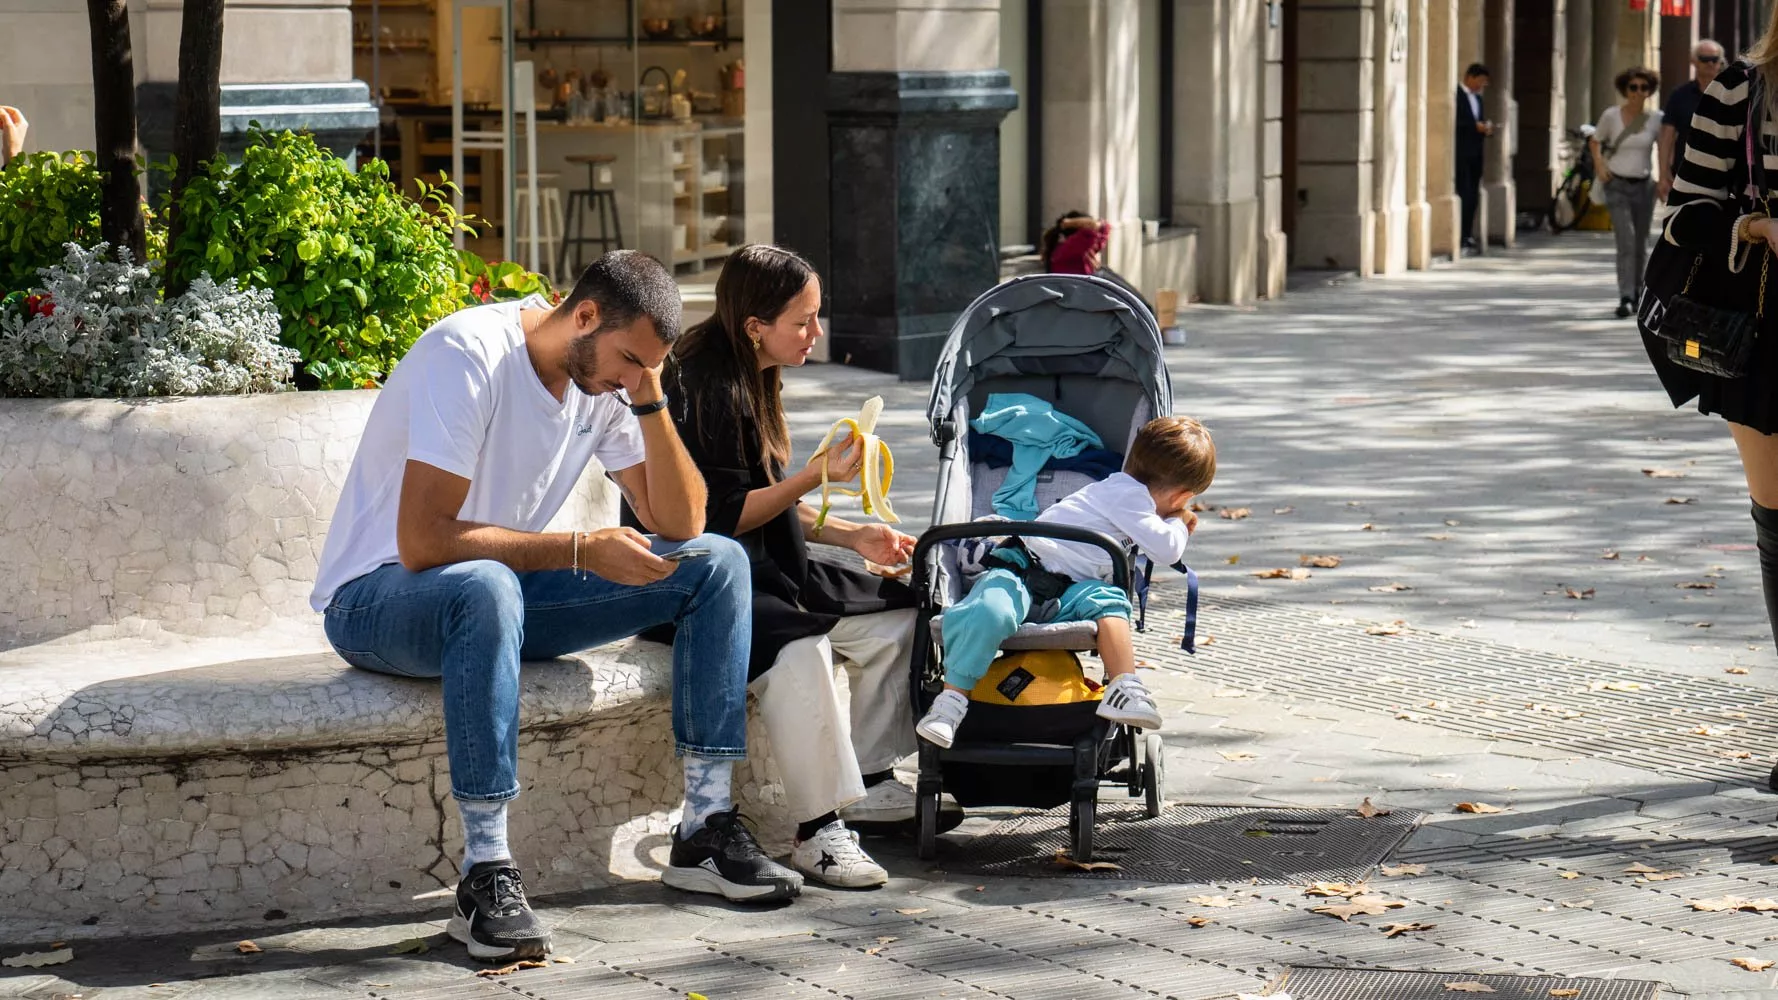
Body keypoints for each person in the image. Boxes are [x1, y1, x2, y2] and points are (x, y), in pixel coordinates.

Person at [309, 251, 803, 965]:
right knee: (484, 585)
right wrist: (578, 548)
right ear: (586, 314)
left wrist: (652, 397)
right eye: (629, 360)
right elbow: (422, 543)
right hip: (378, 601)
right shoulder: (468, 354)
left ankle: (703, 826)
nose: (629, 378)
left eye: (647, 368)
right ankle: (486, 871)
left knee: (716, 565)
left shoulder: (610, 384)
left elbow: (686, 521)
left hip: (497, 601)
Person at [632, 244, 948, 890]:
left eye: (817, 316)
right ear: (756, 326)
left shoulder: (755, 369)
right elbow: (717, 518)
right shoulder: (705, 382)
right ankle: (818, 831)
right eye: (803, 321)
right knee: (799, 644)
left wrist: (853, 536)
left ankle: (876, 774)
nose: (817, 333)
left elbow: (767, 501)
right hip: (694, 577)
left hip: (764, 561)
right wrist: (814, 474)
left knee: (898, 612)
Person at [915, 416, 1216, 749]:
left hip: (1069, 591)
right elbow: (1166, 549)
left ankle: (1123, 686)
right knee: (991, 610)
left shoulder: (1131, 498)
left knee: (1112, 602)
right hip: (1023, 572)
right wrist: (1177, 520)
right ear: (1181, 496)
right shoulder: (1125, 495)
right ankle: (951, 702)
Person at [1660, 20, 1778, 660]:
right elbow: (1684, 218)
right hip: (1769, 331)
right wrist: (1758, 226)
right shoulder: (1741, 89)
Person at [1591, 67, 1664, 318]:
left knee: (1641, 243)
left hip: (1644, 186)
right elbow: (1595, 140)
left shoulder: (1655, 119)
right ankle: (1625, 296)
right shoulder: (1611, 116)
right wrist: (1600, 165)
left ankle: (1639, 293)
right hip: (1617, 185)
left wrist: (1663, 178)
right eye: (1633, 87)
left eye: (1644, 88)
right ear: (1625, 90)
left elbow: (1665, 147)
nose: (1638, 93)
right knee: (1626, 241)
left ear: (1649, 91)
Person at [1659, 40, 1726, 202]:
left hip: (1725, 175)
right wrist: (1662, 174)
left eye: (1714, 59)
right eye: (1704, 59)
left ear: (1720, 62)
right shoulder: (1679, 95)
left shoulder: (1732, 95)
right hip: (1685, 175)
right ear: (1694, 62)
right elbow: (1667, 136)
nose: (1710, 63)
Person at [1455, 64, 1496, 253]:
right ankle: (1461, 235)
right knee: (1464, 194)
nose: (1482, 85)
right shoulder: (1457, 95)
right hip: (1461, 154)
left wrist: (1486, 129)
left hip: (1476, 154)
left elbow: (1478, 121)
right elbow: (1456, 123)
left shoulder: (1478, 100)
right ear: (1470, 77)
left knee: (1473, 197)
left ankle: (1468, 234)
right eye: (1480, 81)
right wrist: (1474, 127)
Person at [1040, 212, 1110, 275]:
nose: (1095, 232)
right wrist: (1066, 223)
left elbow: (1105, 227)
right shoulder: (1069, 248)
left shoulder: (1082, 249)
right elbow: (1093, 226)